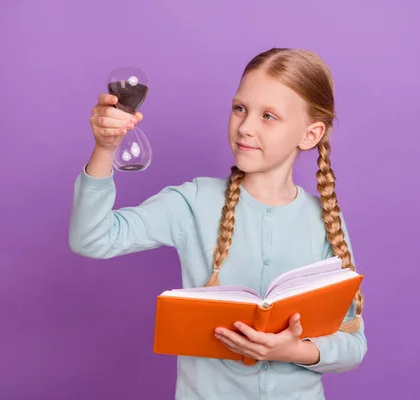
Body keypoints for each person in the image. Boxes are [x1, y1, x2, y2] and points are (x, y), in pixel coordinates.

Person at [69, 47, 367, 399]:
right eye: (240, 108)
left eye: (268, 116)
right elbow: (93, 239)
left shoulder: (324, 220)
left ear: (310, 134)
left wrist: (294, 351)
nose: (245, 127)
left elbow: (353, 344)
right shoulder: (194, 202)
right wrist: (105, 149)